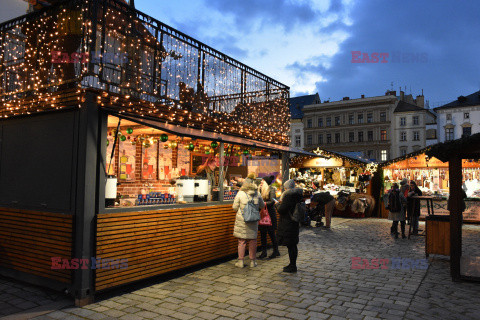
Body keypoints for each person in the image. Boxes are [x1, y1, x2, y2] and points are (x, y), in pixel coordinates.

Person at [232, 177, 265, 268]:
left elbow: (234, 207)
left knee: (241, 241)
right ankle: (252, 262)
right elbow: (262, 205)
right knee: (252, 240)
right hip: (253, 220)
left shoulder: (240, 193)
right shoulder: (257, 193)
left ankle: (241, 262)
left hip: (242, 220)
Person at [276, 179, 304, 273]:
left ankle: (292, 266)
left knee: (291, 245)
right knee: (293, 244)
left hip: (288, 223)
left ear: (287, 188)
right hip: (294, 222)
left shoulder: (288, 196)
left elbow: (281, 210)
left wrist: (277, 204)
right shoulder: (298, 195)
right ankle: (292, 264)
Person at [258, 176, 280, 259]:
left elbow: (273, 201)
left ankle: (276, 251)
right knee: (262, 234)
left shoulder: (271, 189)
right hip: (262, 214)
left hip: (270, 214)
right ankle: (264, 252)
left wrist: (263, 204)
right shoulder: (260, 190)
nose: (261, 182)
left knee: (271, 233)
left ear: (266, 183)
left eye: (262, 181)